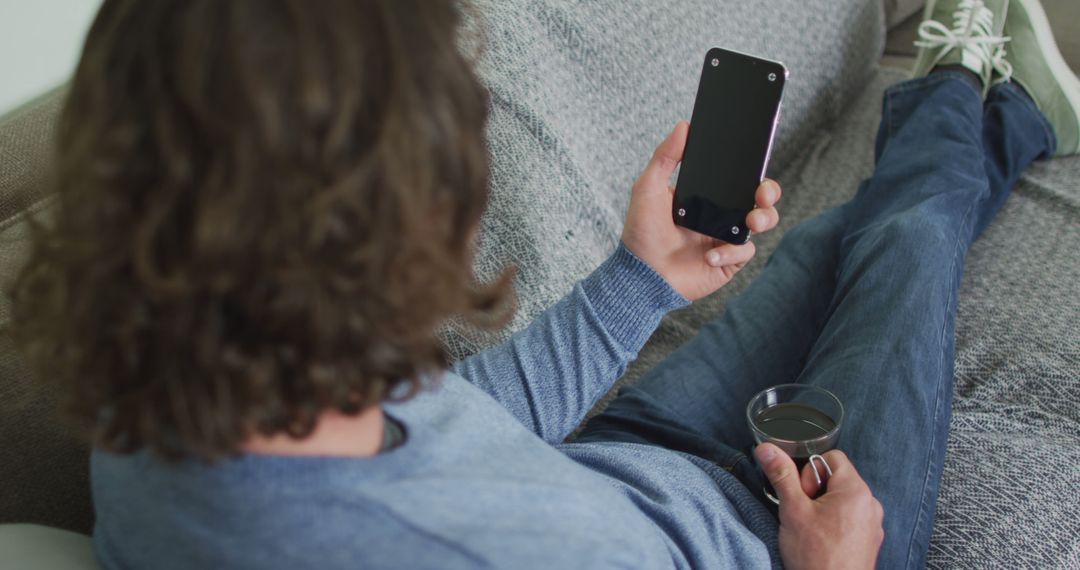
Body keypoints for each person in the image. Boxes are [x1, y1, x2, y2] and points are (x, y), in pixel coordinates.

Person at [9, 0, 1076, 568]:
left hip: (624, 469)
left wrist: (637, 280)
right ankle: (983, 92)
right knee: (908, 243)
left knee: (836, 240)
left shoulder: (159, 386)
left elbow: (452, 440)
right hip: (772, 539)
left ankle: (960, 101)